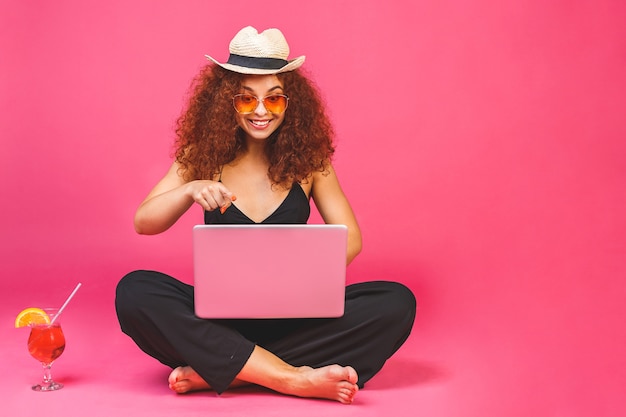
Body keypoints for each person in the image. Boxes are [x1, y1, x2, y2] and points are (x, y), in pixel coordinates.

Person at [115, 26, 416, 405]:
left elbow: (351, 238)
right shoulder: (200, 156)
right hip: (218, 322)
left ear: (291, 104)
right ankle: (290, 377)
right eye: (247, 100)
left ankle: (231, 371)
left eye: (273, 100)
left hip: (295, 319)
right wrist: (189, 189)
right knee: (135, 291)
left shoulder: (311, 163)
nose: (261, 111)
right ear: (227, 101)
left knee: (395, 302)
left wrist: (302, 280)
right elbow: (144, 222)